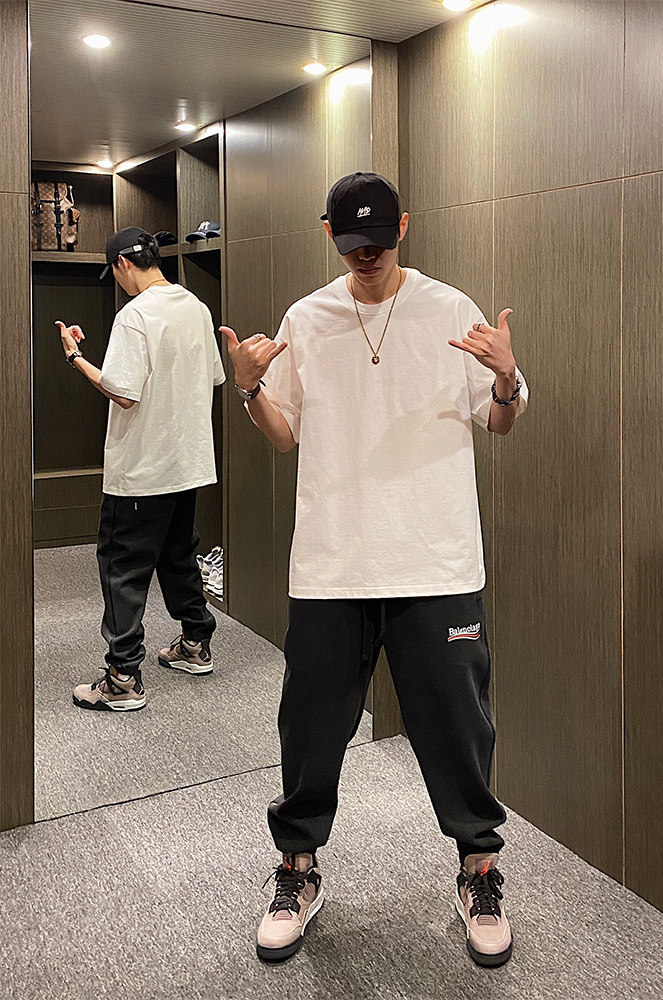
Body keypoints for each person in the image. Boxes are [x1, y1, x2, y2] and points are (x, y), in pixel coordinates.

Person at [221, 172, 527, 968]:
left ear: (404, 228)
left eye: (380, 242)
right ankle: (297, 869)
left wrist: (505, 377)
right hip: (333, 564)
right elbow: (284, 435)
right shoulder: (307, 318)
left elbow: (500, 421)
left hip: (437, 560)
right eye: (353, 243)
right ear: (329, 234)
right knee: (310, 727)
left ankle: (479, 870)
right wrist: (249, 389)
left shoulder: (449, 308)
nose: (368, 256)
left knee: (459, 726)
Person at [58, 226, 226, 712]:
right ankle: (195, 643)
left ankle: (122, 678)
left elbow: (123, 391)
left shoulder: (134, 316)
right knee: (178, 556)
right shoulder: (196, 307)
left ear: (123, 264)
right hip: (187, 464)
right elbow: (214, 378)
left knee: (122, 570)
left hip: (141, 470)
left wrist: (76, 358)